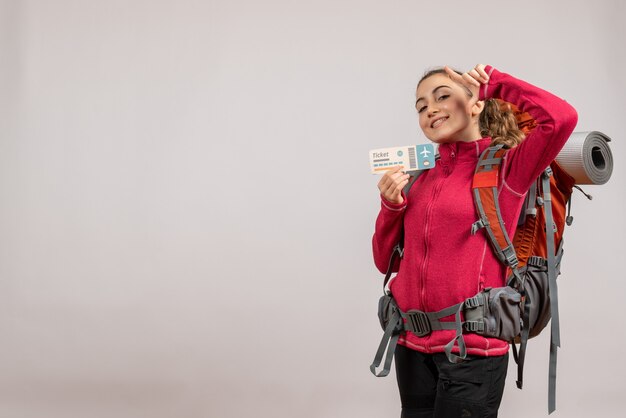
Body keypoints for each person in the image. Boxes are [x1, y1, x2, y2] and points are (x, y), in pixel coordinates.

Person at [372, 64, 578, 418]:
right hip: (411, 345)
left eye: (442, 97)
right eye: (421, 106)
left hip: (472, 350)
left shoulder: (507, 169)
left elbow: (561, 118)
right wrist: (391, 207)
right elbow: (385, 262)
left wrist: (494, 83)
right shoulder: (419, 176)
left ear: (477, 104)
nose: (430, 109)